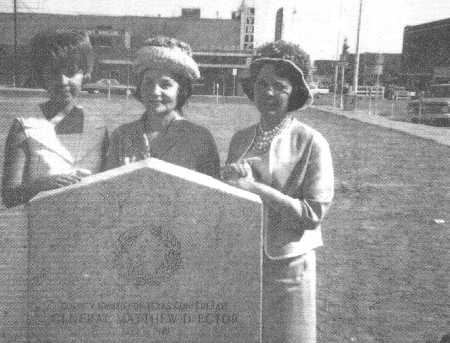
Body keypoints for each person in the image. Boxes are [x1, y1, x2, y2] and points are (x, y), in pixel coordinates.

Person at [222, 40, 334, 343]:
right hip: (244, 263)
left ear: (295, 92)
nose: (268, 93)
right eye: (261, 84)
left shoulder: (311, 142)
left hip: (289, 267)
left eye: (279, 86)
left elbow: (313, 214)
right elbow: (230, 199)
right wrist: (228, 182)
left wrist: (254, 187)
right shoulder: (240, 139)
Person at [1, 30, 107, 208]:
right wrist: (42, 185)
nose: (63, 81)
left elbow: (110, 190)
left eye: (71, 72)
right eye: (53, 72)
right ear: (41, 75)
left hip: (90, 229)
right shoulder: (24, 126)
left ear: (85, 74)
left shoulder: (99, 128)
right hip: (41, 229)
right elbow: (9, 196)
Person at [104, 36, 220, 178]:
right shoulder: (121, 136)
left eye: (165, 85)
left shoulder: (200, 138)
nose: (155, 91)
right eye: (148, 83)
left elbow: (213, 194)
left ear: (181, 90)